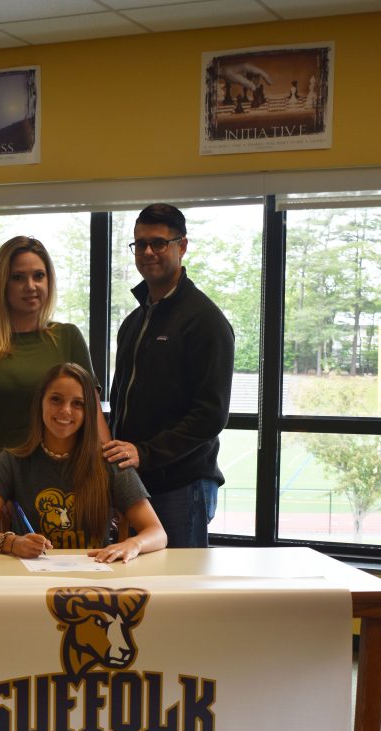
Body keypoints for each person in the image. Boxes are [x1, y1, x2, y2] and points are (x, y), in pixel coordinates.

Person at [0, 236, 108, 539]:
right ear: (2, 283)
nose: (30, 286)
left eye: (38, 275)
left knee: (42, 567)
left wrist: (110, 478)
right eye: (18, 277)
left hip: (45, 492)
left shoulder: (68, 337)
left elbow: (92, 417)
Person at [103, 203, 234, 547]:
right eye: (140, 243)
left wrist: (145, 453)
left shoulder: (205, 321)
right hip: (135, 482)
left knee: (178, 579)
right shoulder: (134, 322)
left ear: (182, 246)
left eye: (159, 243)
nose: (148, 252)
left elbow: (210, 415)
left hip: (182, 485)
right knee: (136, 576)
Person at [0, 362, 166, 563]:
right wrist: (12, 543)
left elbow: (157, 533)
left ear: (89, 411)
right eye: (56, 399)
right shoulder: (13, 461)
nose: (65, 410)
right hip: (32, 577)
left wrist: (133, 544)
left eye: (77, 404)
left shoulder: (109, 461)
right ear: (40, 402)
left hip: (95, 576)